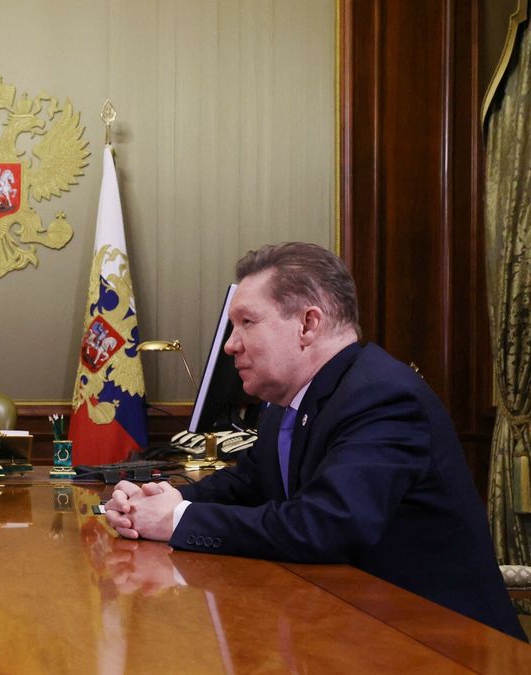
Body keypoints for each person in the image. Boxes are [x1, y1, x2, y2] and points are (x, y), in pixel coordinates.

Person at [104, 242, 526, 640]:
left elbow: (325, 525)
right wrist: (157, 499)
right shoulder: (284, 404)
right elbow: (247, 486)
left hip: (441, 644)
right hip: (350, 630)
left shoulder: (381, 395)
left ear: (308, 324)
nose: (230, 345)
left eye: (247, 322)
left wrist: (177, 519)